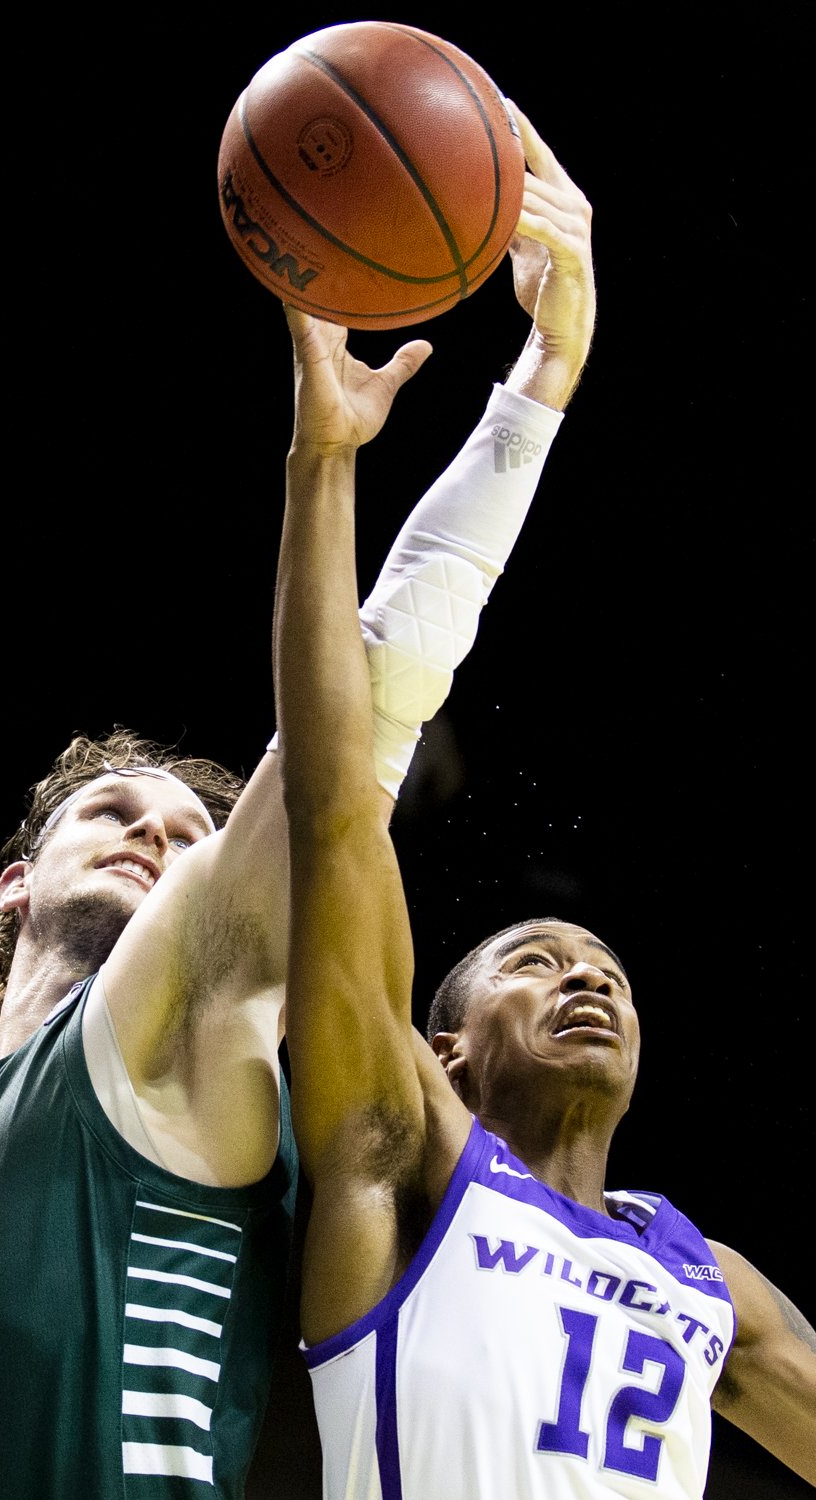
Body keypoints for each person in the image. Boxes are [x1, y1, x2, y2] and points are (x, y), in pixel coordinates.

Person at [0, 91, 593, 1499]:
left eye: (191, 836)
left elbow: (360, 710)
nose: (163, 839)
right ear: (15, 880)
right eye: (113, 813)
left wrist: (531, 393)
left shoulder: (170, 1032)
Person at [274, 109, 816, 1498]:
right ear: (442, 1048)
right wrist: (328, 462)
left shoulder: (714, 1284)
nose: (589, 978)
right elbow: (335, 804)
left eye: (604, 969)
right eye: (535, 961)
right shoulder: (401, 1146)